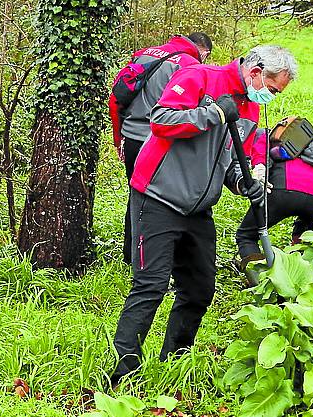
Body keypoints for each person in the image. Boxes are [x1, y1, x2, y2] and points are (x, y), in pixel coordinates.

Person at [110, 44, 298, 385]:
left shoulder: (250, 110)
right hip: (158, 198)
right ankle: (123, 374)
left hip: (198, 209)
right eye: (272, 89)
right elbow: (161, 121)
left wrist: (244, 184)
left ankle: (174, 362)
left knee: (199, 289)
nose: (271, 97)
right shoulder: (199, 77)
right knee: (150, 286)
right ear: (256, 72)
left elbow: (227, 159)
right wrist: (213, 114)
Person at [109, 32, 213, 264]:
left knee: (136, 197)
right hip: (159, 145)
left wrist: (119, 139)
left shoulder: (144, 54)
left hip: (132, 139)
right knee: (160, 203)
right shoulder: (191, 66)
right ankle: (157, 262)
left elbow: (116, 99)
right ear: (204, 52)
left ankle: (131, 255)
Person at [233, 123, 313, 279]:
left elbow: (261, 148)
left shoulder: (267, 136)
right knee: (311, 237)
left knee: (247, 235)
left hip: (284, 187)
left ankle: (259, 280)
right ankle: (303, 278)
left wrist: (259, 168)